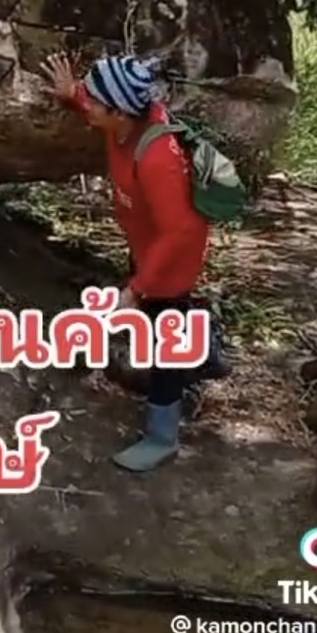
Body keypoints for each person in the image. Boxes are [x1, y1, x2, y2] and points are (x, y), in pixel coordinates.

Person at [40, 48, 227, 472]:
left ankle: (162, 437)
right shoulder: (121, 121)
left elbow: (178, 232)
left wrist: (138, 289)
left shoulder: (158, 156)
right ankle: (208, 354)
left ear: (119, 112)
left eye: (94, 100)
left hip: (172, 257)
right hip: (146, 243)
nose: (89, 105)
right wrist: (72, 95)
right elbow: (94, 104)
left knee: (165, 345)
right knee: (166, 321)